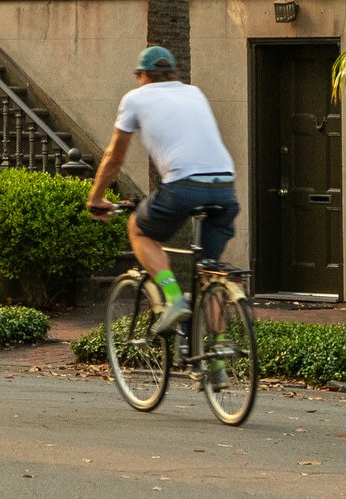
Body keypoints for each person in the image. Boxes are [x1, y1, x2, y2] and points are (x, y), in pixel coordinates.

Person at [82, 45, 239, 337]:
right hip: (224, 188)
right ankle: (216, 362)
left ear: (142, 75)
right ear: (173, 73)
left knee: (139, 230)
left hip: (183, 186)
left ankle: (173, 297)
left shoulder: (135, 98)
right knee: (209, 272)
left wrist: (95, 198)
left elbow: (115, 157)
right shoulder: (194, 93)